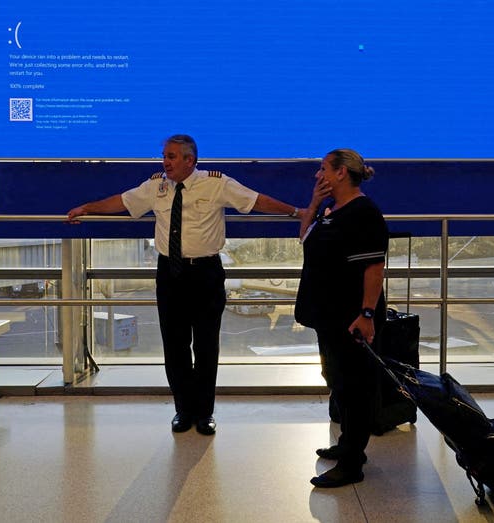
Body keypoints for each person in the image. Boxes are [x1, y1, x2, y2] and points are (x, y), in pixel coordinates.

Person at [66, 134, 304, 436]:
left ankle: (205, 413)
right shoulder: (156, 186)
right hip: (170, 274)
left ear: (191, 160)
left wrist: (297, 212)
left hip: (205, 273)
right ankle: (183, 409)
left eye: (172, 156)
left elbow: (256, 201)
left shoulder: (216, 183)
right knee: (175, 346)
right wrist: (86, 208)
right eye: (164, 155)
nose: (165, 161)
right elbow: (121, 202)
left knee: (206, 346)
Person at [294, 148, 388, 488]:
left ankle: (352, 462)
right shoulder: (333, 211)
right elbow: (304, 238)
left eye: (323, 170)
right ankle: (349, 444)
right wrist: (314, 205)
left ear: (341, 174)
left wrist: (366, 313)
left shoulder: (363, 213)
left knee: (354, 385)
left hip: (350, 316)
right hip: (328, 314)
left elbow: (373, 268)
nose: (318, 175)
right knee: (336, 378)